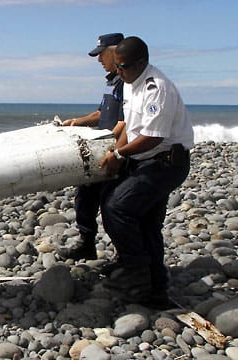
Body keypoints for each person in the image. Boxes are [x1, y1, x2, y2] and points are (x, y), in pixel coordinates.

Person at [99, 36, 193, 308]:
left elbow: (152, 136)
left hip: (165, 163)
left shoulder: (157, 89)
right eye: (117, 67)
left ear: (142, 62)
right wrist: (117, 152)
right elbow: (131, 124)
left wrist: (118, 154)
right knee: (145, 222)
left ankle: (136, 275)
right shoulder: (131, 82)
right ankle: (155, 289)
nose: (119, 72)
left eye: (124, 67)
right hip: (145, 160)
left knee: (119, 208)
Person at [58, 33, 125, 261]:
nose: (99, 60)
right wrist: (76, 122)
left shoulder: (127, 83)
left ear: (116, 52)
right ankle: (87, 243)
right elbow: (100, 114)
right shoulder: (111, 82)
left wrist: (111, 150)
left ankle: (123, 255)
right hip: (100, 148)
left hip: (115, 152)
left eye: (101, 55)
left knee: (111, 205)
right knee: (85, 197)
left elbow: (125, 123)